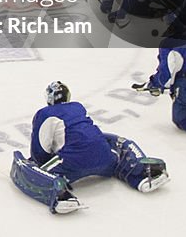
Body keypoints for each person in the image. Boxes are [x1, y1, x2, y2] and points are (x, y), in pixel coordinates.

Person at [11, 82, 169, 214]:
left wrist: (38, 164)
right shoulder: (78, 107)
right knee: (116, 158)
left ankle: (60, 194)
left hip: (72, 161)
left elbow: (41, 148)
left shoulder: (45, 114)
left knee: (42, 170)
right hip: (104, 156)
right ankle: (141, 173)